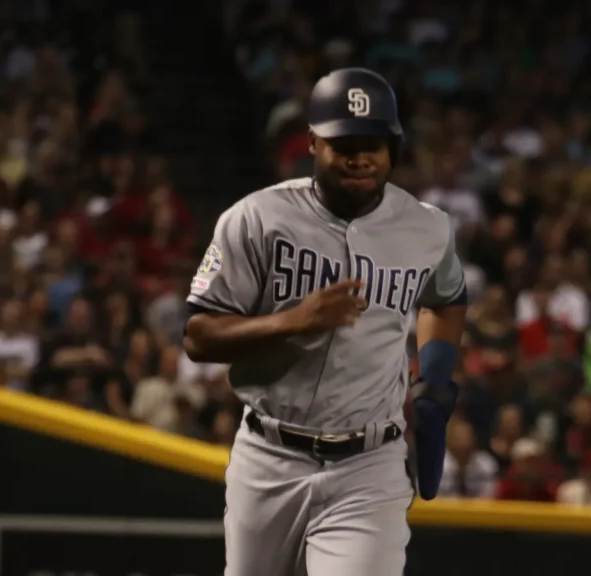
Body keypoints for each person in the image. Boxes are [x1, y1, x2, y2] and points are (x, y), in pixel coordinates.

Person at [183, 67, 466, 576]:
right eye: (344, 144)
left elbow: (446, 299)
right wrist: (292, 321)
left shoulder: (428, 227)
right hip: (270, 456)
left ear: (393, 148)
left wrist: (435, 385)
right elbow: (200, 336)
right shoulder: (255, 218)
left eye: (373, 145)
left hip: (369, 463)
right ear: (313, 143)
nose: (360, 158)